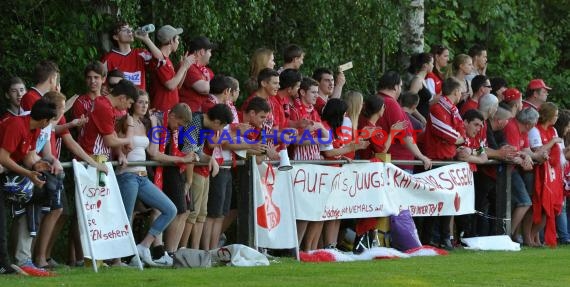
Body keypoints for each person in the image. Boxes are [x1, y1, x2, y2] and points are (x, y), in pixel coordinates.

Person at [115, 92, 191, 266]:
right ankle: (117, 259)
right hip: (127, 175)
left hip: (141, 176)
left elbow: (154, 153)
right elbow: (118, 144)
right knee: (126, 218)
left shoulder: (145, 124)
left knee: (170, 209)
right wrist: (121, 152)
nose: (144, 106)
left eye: (147, 103)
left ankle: (144, 246)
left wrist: (156, 125)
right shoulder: (125, 120)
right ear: (133, 103)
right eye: (140, 102)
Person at [0, 98, 57, 276]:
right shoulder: (17, 125)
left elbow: (28, 157)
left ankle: (8, 262)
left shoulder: (34, 129)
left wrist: (38, 166)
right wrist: (28, 174)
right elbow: (3, 157)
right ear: (45, 121)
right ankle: (6, 263)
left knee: (44, 192)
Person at [179, 104, 234, 250]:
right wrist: (189, 181)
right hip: (190, 171)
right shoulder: (195, 122)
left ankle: (197, 250)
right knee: (193, 213)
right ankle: (183, 250)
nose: (220, 131)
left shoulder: (204, 124)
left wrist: (211, 159)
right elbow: (189, 152)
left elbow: (198, 152)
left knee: (201, 213)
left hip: (200, 170)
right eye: (222, 127)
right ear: (216, 122)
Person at [420, 78, 466, 250]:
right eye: (460, 91)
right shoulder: (437, 109)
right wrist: (459, 139)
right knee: (433, 202)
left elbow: (462, 129)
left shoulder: (453, 110)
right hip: (437, 160)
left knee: (448, 201)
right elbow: (448, 134)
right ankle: (429, 237)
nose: (461, 94)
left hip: (448, 159)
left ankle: (444, 237)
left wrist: (460, 138)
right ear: (455, 92)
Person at [321, 97, 369, 250]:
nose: (345, 117)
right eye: (343, 114)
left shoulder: (334, 129)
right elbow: (328, 153)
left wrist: (343, 156)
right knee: (329, 213)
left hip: (336, 173)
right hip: (328, 174)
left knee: (337, 213)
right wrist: (351, 148)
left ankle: (332, 245)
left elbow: (335, 152)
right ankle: (326, 246)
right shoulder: (326, 128)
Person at [289, 77, 330, 251]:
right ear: (302, 92)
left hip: (315, 164)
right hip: (300, 164)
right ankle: (295, 248)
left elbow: (327, 139)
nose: (316, 95)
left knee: (315, 210)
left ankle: (309, 250)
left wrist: (319, 129)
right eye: (313, 92)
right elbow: (292, 140)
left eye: (316, 92)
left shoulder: (314, 112)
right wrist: (311, 136)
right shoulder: (295, 111)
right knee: (302, 210)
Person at [375, 71, 431, 172]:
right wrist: (420, 156)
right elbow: (405, 135)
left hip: (375, 162)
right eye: (400, 86)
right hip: (397, 164)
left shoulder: (372, 100)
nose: (400, 90)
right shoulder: (392, 104)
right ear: (395, 87)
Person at [528, 102, 564, 247]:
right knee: (538, 205)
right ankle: (529, 238)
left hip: (552, 173)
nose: (556, 118)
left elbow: (557, 152)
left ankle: (535, 239)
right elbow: (537, 152)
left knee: (548, 207)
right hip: (537, 172)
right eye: (555, 115)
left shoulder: (553, 130)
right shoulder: (535, 130)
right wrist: (552, 142)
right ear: (548, 115)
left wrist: (551, 145)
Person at [101, 20, 162, 90]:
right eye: (124, 30)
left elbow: (161, 59)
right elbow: (101, 85)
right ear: (116, 37)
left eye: (130, 28)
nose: (130, 31)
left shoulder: (141, 54)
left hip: (139, 100)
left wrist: (146, 39)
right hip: (119, 100)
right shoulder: (108, 58)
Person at [149, 25, 195, 113]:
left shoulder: (167, 59)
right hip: (161, 112)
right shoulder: (160, 60)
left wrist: (185, 67)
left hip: (169, 112)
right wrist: (184, 66)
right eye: (177, 39)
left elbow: (177, 85)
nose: (178, 42)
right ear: (171, 41)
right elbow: (170, 85)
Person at [179, 36, 216, 113]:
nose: (211, 55)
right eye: (209, 51)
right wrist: (216, 87)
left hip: (204, 116)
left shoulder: (208, 71)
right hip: (188, 116)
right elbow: (204, 88)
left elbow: (216, 89)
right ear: (202, 52)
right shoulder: (188, 66)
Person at [72, 61, 107, 128]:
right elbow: (81, 130)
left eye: (96, 77)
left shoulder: (108, 101)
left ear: (103, 79)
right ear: (85, 79)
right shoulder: (80, 102)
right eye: (89, 77)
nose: (92, 81)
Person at [407, 52, 435, 119]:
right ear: (425, 65)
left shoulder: (423, 80)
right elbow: (409, 102)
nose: (433, 66)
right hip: (418, 120)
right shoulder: (417, 81)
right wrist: (421, 118)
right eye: (432, 63)